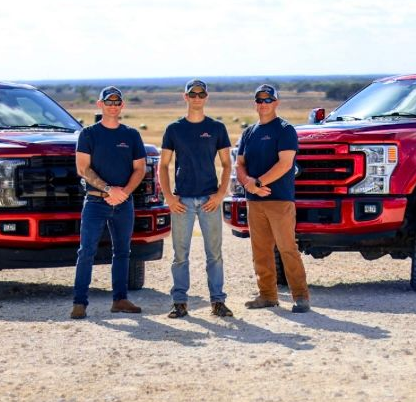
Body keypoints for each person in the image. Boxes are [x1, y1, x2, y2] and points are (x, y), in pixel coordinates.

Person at [159, 79, 233, 318]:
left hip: (210, 200)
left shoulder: (217, 128)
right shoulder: (174, 129)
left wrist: (221, 194)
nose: (197, 98)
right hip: (182, 202)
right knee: (180, 255)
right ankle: (179, 302)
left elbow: (226, 164)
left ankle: (218, 302)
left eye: (201, 94)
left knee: (215, 255)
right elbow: (163, 166)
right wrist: (169, 197)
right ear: (186, 97)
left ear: (206, 97)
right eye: (193, 94)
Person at [71, 86, 146, 319]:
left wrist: (123, 193)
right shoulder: (89, 134)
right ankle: (79, 303)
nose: (113, 106)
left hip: (124, 203)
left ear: (121, 106)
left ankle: (120, 300)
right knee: (87, 251)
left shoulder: (132, 135)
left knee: (123, 251)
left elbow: (140, 169)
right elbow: (83, 168)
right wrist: (107, 189)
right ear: (100, 104)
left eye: (117, 102)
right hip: (95, 202)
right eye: (108, 102)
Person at [236, 84, 311, 313]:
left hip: (279, 200)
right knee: (260, 250)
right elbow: (240, 165)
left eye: (268, 100)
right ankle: (267, 295)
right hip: (254, 201)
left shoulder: (285, 130)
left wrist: (258, 184)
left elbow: (285, 164)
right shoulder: (248, 132)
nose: (263, 104)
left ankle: (300, 297)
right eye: (259, 100)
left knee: (287, 248)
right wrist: (250, 184)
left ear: (276, 103)